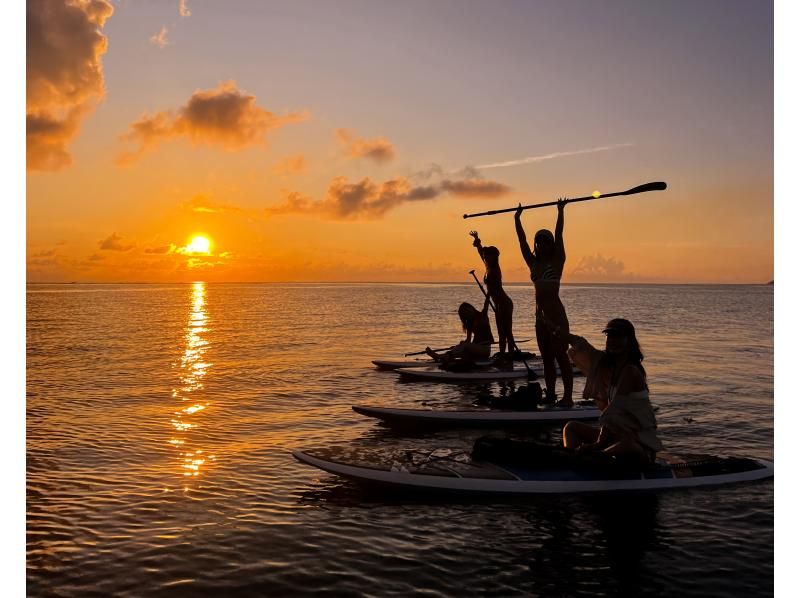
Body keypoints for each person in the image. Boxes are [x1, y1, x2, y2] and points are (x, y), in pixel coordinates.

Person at [560, 318, 663, 465]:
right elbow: (584, 347)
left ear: (629, 341)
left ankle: (593, 458)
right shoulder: (609, 367)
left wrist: (597, 445)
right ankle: (573, 462)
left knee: (627, 443)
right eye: (610, 336)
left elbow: (615, 408)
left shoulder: (631, 371)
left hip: (638, 445)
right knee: (571, 427)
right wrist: (559, 331)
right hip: (615, 437)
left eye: (618, 336)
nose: (612, 340)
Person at [514, 198, 573, 406]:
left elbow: (559, 234)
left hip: (557, 317)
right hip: (540, 319)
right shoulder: (533, 264)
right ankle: (550, 394)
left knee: (561, 357)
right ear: (536, 245)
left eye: (546, 241)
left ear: (551, 244)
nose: (542, 244)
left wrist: (560, 211)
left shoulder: (558, 261)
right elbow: (522, 243)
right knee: (547, 359)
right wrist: (517, 218)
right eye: (539, 241)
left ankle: (567, 397)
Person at [468, 230, 516, 356]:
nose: (486, 257)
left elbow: (490, 292)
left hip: (504, 304)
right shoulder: (487, 266)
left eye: (489, 255)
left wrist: (485, 308)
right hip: (499, 304)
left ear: (495, 257)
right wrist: (477, 239)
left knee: (506, 332)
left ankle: (510, 355)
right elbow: (480, 252)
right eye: (487, 255)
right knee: (501, 331)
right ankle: (502, 354)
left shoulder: (494, 270)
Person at [425, 298, 494, 365]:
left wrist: (489, 292)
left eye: (468, 310)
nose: (468, 313)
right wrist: (459, 346)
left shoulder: (482, 316)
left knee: (464, 346)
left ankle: (440, 356)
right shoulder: (469, 323)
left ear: (471, 308)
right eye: (465, 313)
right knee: (462, 349)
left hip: (484, 349)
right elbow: (468, 340)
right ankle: (444, 357)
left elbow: (486, 304)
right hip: (475, 349)